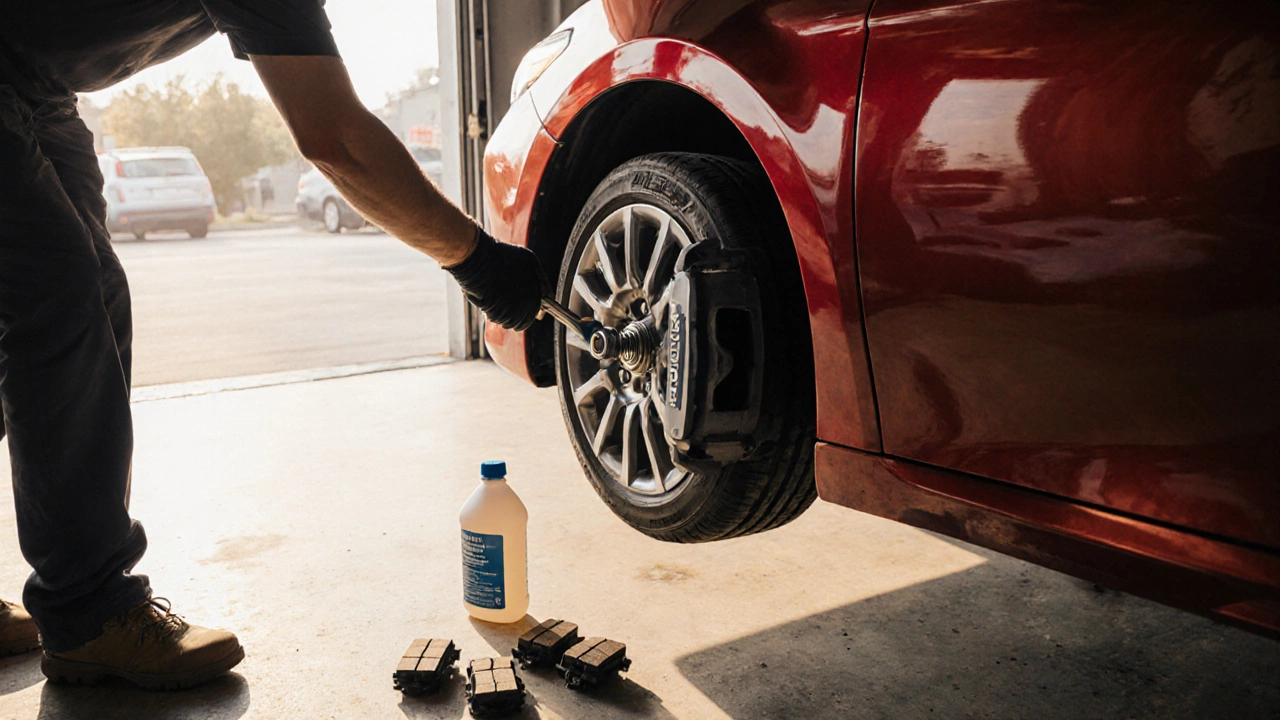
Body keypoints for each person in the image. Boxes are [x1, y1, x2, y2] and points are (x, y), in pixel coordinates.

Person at [0, 0, 546, 690]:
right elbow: (334, 140)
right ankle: (86, 613)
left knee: (87, 301)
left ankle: (78, 598)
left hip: (36, 87)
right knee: (56, 297)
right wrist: (477, 261)